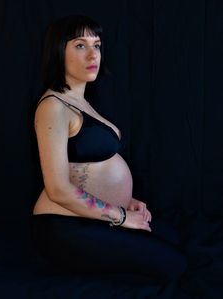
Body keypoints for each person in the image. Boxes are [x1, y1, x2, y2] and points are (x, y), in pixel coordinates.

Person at [31, 14, 187, 282]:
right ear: (59, 52)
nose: (93, 54)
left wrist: (128, 201)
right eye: (80, 45)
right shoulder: (53, 107)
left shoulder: (82, 101)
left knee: (172, 237)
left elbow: (93, 169)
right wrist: (121, 216)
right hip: (64, 226)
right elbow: (57, 189)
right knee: (174, 265)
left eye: (97, 45)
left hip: (95, 217)